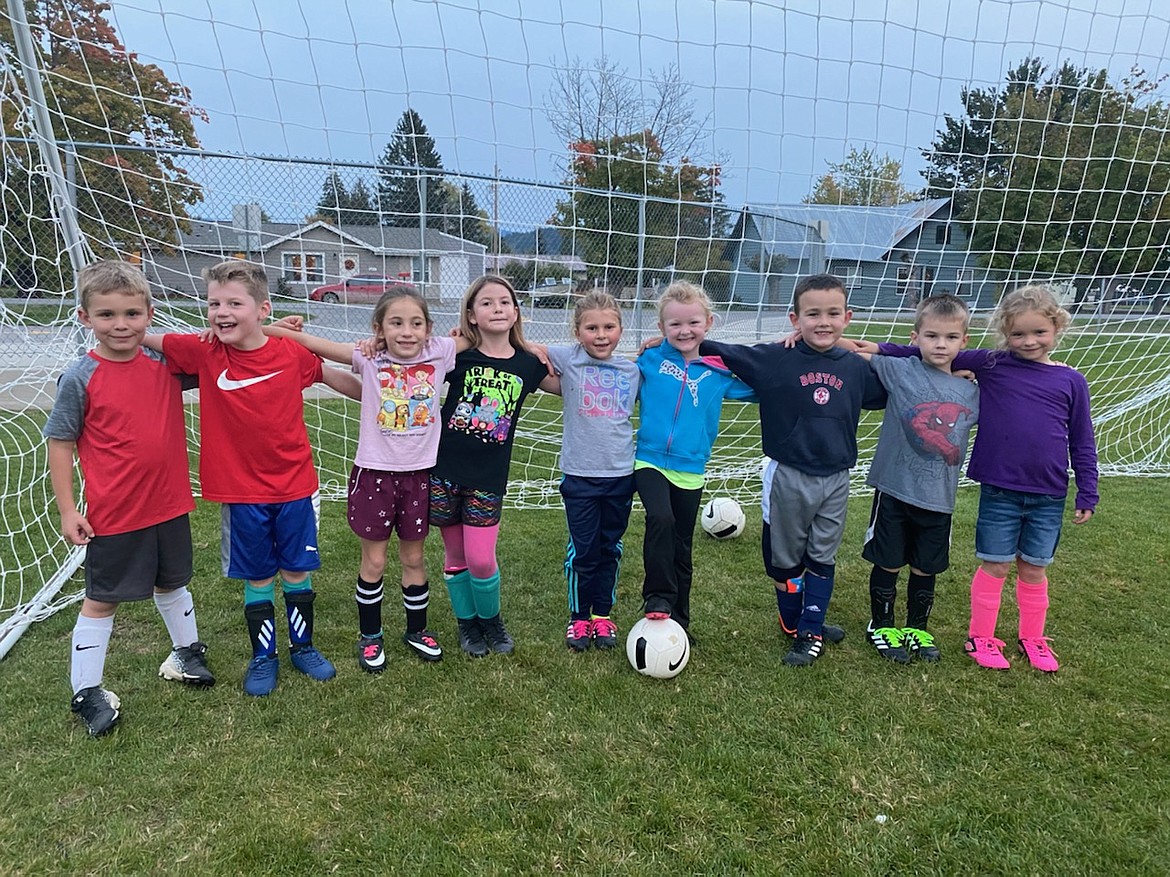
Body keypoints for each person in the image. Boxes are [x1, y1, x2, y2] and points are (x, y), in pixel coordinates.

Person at [143, 260, 360, 697]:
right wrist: (121, 330)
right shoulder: (205, 351)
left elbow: (339, 379)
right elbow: (144, 338)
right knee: (258, 577)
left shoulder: (291, 354)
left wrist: (388, 392)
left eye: (233, 303)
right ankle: (264, 656)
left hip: (295, 486)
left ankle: (304, 648)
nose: (221, 312)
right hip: (242, 493)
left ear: (262, 309)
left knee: (298, 572)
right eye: (213, 303)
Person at [872, 284, 1098, 672]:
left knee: (1035, 567)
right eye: (1018, 334)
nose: (1028, 341)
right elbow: (931, 348)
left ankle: (1033, 639)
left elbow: (1082, 439)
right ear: (1005, 335)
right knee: (996, 564)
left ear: (1057, 329)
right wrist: (871, 347)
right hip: (999, 489)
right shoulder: (993, 363)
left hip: (1049, 492)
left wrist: (1087, 491)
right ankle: (981, 637)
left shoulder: (1071, 381)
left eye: (1039, 332)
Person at [44, 261, 214, 737]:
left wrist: (269, 331)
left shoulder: (165, 365)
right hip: (115, 514)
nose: (121, 324)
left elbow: (222, 354)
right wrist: (68, 509)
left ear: (149, 314)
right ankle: (87, 691)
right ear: (85, 318)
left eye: (132, 314)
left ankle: (186, 655)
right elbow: (59, 442)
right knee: (102, 600)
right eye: (107, 315)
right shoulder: (80, 378)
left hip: (170, 504)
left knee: (173, 583)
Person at [699, 273, 886, 667]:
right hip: (788, 475)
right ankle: (793, 620)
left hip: (836, 478)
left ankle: (810, 629)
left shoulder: (855, 367)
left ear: (848, 317)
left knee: (823, 555)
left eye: (833, 313)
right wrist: (664, 344)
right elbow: (712, 349)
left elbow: (904, 376)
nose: (823, 322)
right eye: (812, 314)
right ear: (794, 319)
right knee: (785, 560)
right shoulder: (776, 358)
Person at [265, 286, 456, 671]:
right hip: (374, 476)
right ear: (378, 329)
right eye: (396, 323)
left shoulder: (441, 352)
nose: (407, 331)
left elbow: (484, 329)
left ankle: (416, 630)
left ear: (429, 328)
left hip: (418, 477)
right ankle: (371, 637)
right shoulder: (368, 358)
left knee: (415, 557)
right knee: (374, 560)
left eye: (416, 323)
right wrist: (275, 326)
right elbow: (307, 341)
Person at [429, 275, 558, 657]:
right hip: (443, 470)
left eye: (504, 301)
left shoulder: (530, 363)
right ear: (471, 314)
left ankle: (491, 622)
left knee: (482, 558)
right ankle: (467, 626)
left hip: (488, 477)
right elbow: (413, 358)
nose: (497, 308)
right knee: (455, 557)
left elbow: (575, 382)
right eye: (486, 303)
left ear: (516, 311)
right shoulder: (456, 355)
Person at [849, 294, 979, 663]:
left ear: (964, 342)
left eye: (951, 338)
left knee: (926, 566)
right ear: (915, 337)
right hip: (894, 489)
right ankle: (882, 624)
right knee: (888, 560)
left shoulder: (973, 391)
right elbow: (853, 349)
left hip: (939, 497)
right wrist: (803, 334)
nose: (941, 344)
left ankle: (917, 627)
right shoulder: (900, 369)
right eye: (932, 336)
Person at [635, 281, 756, 636]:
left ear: (709, 323)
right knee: (660, 518)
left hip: (691, 468)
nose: (684, 331)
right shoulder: (650, 359)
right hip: (649, 460)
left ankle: (680, 618)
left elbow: (762, 385)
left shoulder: (718, 372)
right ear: (661, 328)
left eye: (693, 323)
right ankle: (657, 596)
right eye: (674, 325)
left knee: (681, 545)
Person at [545, 291, 640, 651]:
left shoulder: (632, 370)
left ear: (620, 329)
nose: (601, 335)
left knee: (610, 547)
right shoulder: (567, 359)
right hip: (579, 477)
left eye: (609, 327)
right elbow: (524, 346)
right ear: (577, 331)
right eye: (592, 328)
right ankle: (579, 618)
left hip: (619, 476)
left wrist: (659, 339)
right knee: (583, 551)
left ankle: (602, 615)